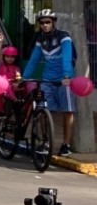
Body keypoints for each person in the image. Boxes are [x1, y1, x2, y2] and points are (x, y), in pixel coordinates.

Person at [23, 10, 76, 155]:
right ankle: (45, 142)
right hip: (47, 80)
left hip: (64, 81)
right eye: (42, 23)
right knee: (42, 111)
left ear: (53, 22)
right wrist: (24, 77)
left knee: (68, 111)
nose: (45, 25)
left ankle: (66, 144)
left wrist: (67, 75)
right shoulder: (40, 40)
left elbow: (67, 57)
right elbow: (34, 60)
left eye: (48, 22)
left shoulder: (64, 37)